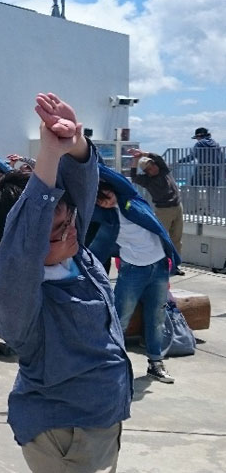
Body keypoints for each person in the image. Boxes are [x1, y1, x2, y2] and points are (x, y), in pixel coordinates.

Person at [0, 92, 133, 473]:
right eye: (54, 230)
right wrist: (46, 158)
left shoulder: (75, 255)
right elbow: (24, 240)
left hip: (99, 419)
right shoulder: (16, 297)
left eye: (70, 223)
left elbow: (79, 186)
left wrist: (72, 142)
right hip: (67, 434)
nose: (70, 232)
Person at [90, 163, 181, 384]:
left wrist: (85, 157)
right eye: (100, 199)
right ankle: (112, 365)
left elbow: (109, 174)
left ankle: (155, 363)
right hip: (132, 271)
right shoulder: (104, 217)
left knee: (157, 317)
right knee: (120, 319)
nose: (107, 200)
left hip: (159, 267)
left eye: (108, 194)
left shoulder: (132, 200)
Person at [127, 147, 185, 274]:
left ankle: (176, 265)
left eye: (152, 165)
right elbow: (134, 177)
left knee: (177, 238)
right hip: (163, 210)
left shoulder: (164, 170)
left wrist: (143, 153)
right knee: (162, 239)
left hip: (177, 207)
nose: (152, 169)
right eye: (148, 169)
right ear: (146, 172)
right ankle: (162, 265)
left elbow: (158, 157)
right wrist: (136, 161)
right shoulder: (148, 181)